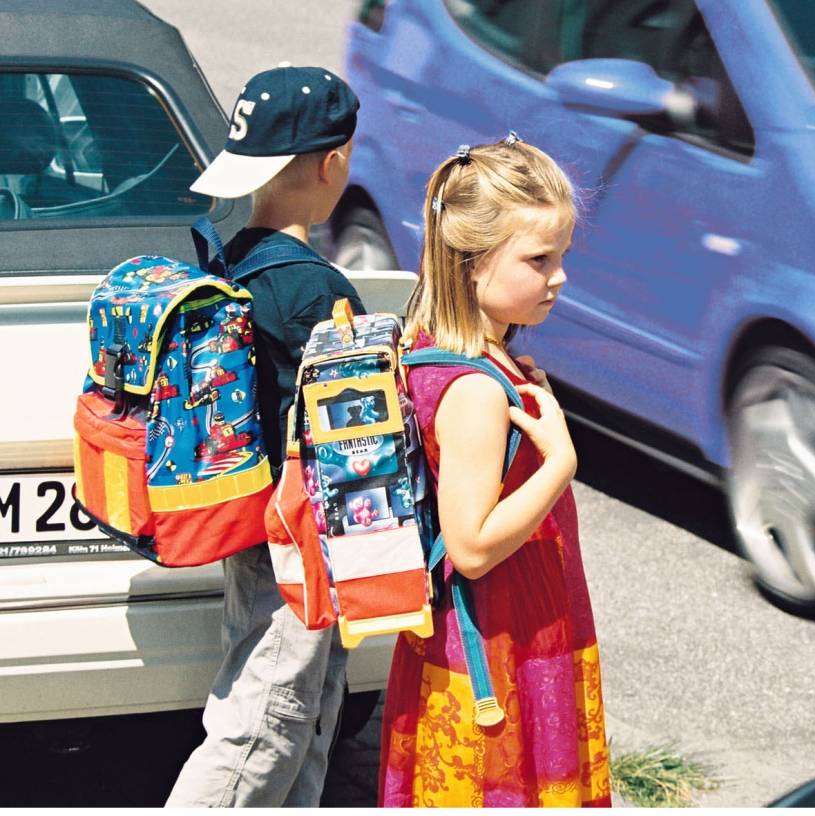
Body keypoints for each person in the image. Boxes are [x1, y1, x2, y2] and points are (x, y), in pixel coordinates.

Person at [379, 135, 611, 807]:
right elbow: (473, 545)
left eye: (562, 255)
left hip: (506, 625)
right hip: (499, 641)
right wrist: (560, 462)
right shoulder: (475, 391)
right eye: (539, 259)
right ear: (472, 265)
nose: (559, 276)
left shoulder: (448, 350)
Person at [166, 65, 366, 808]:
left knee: (306, 712)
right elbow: (353, 428)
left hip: (252, 523)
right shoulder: (316, 290)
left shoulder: (228, 257)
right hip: (298, 542)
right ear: (333, 162)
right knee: (265, 722)